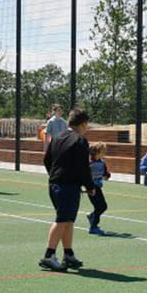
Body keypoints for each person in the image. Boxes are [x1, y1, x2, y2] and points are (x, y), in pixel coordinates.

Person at [40, 108, 95, 272]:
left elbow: (46, 159)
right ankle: (49, 255)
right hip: (67, 186)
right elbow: (83, 167)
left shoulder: (58, 138)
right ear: (83, 124)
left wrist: (53, 175)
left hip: (56, 184)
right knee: (62, 219)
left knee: (69, 220)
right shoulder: (80, 140)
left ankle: (68, 253)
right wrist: (90, 186)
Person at [86, 142, 112, 235]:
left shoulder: (101, 162)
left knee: (102, 206)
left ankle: (92, 216)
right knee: (100, 207)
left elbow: (105, 173)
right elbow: (85, 175)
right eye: (103, 151)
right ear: (96, 152)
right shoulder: (89, 163)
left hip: (98, 187)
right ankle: (93, 227)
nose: (105, 152)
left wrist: (107, 175)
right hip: (91, 188)